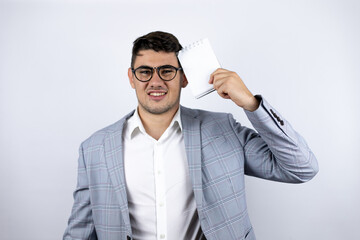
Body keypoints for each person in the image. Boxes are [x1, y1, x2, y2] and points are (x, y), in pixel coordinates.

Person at [63, 31, 318, 240]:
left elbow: (302, 168)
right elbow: (80, 233)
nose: (155, 81)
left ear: (184, 78)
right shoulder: (94, 149)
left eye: (167, 71)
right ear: (131, 77)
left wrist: (251, 104)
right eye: (144, 72)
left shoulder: (223, 130)